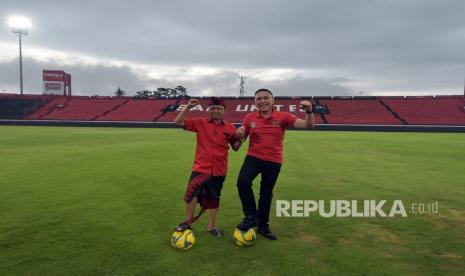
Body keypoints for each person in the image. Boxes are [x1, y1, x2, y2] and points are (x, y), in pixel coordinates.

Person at [235, 88, 315, 240]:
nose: (262, 101)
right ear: (255, 102)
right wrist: (239, 134)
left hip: (273, 160)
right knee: (242, 183)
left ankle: (264, 226)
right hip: (253, 157)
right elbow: (241, 139)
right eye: (258, 99)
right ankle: (251, 216)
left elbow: (308, 125)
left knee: (266, 194)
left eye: (266, 98)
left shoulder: (283, 116)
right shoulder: (249, 117)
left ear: (273, 101)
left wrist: (309, 111)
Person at [174, 97, 242, 237]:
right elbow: (178, 121)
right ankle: (188, 224)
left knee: (214, 198)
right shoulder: (200, 122)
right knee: (191, 195)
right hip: (200, 168)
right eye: (213, 108)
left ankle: (211, 226)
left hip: (219, 170)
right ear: (209, 110)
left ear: (224, 111)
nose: (215, 111)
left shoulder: (230, 127)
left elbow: (235, 147)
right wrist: (188, 107)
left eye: (218, 108)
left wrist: (242, 137)